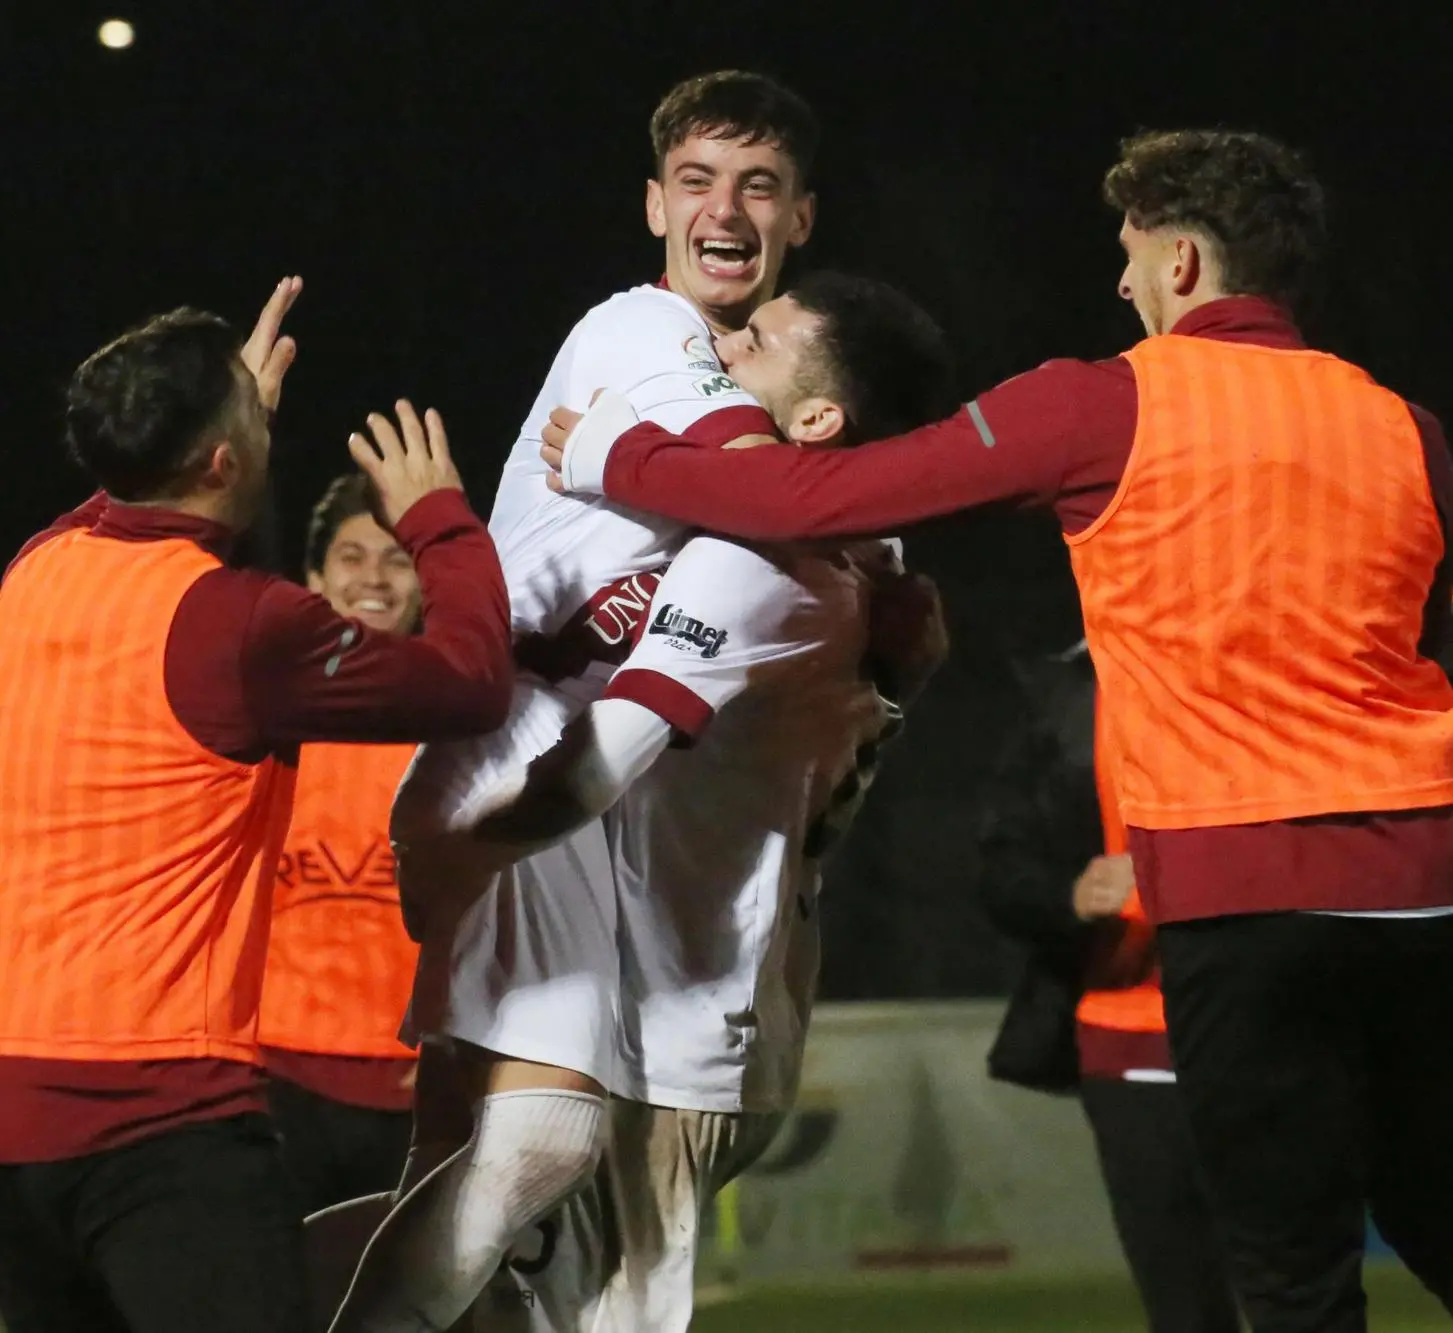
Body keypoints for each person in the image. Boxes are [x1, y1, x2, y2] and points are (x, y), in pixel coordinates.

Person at [544, 129, 1453, 1333]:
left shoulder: (1103, 402)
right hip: (1428, 889)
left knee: (1292, 1280)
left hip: (1251, 898)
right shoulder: (1407, 426)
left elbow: (823, 494)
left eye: (1130, 261)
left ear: (1183, 265)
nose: (1120, 288)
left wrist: (620, 453)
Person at [317, 69, 809, 1333]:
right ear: (653, 205)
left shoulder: (776, 362)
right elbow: (778, 496)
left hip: (620, 805)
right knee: (543, 1142)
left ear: (802, 214)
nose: (727, 209)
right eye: (697, 181)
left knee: (510, 1183)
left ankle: (245, 1293)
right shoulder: (636, 334)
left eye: (759, 185)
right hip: (527, 749)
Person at [0, 280, 515, 1333]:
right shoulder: (241, 623)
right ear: (225, 461)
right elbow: (473, 678)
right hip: (159, 1124)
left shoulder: (35, 570)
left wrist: (216, 419)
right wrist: (438, 520)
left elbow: (121, 501)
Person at [452, 271, 955, 1333]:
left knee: (609, 1311)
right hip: (701, 991)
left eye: (757, 346)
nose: (718, 354)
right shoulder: (875, 567)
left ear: (816, 419)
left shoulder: (770, 566)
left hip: (686, 1009)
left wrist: (455, 854)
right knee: (512, 1285)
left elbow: (606, 760)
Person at [980, 646, 1239, 1333]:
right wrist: (1067, 893)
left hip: (1267, 1017)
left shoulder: (1264, 664)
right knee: (1184, 1299)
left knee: (1302, 1278)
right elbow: (1002, 866)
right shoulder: (1070, 696)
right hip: (1128, 1030)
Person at [261, 473, 428, 1217]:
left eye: (396, 559)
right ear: (314, 578)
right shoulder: (259, 723)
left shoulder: (461, 731)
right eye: (352, 556)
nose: (373, 577)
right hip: (273, 1082)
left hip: (419, 1086)